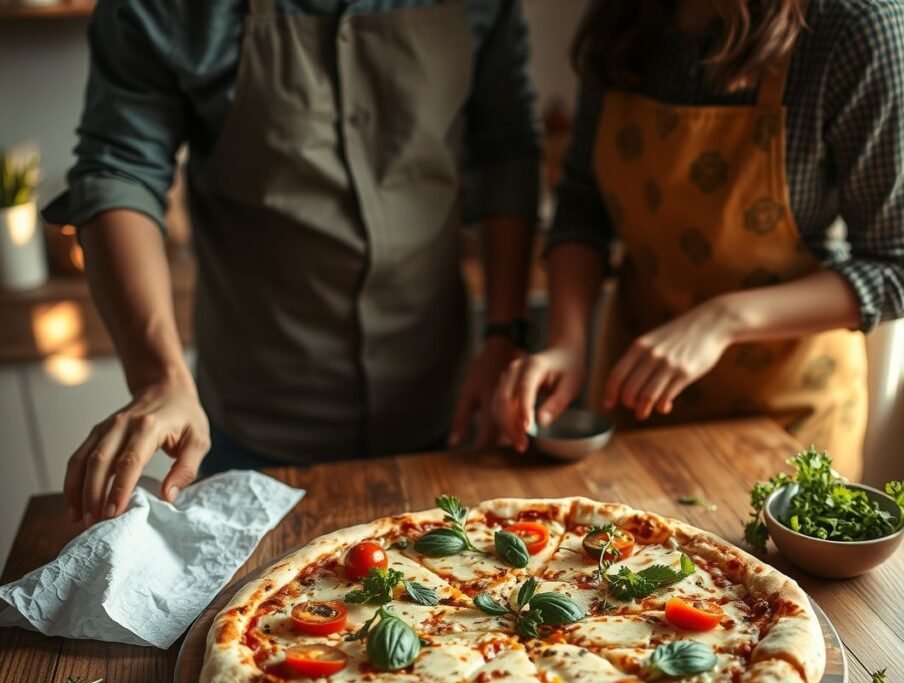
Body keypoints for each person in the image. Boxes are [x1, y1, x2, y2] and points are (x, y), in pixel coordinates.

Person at [48, 0, 540, 526]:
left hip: (449, 403)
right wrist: (159, 377)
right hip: (258, 425)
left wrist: (504, 331)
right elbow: (120, 170)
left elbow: (506, 147)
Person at [493, 0, 904, 479]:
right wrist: (566, 340)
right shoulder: (623, 14)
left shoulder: (857, 26)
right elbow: (583, 205)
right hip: (634, 402)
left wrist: (721, 320)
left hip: (786, 425)